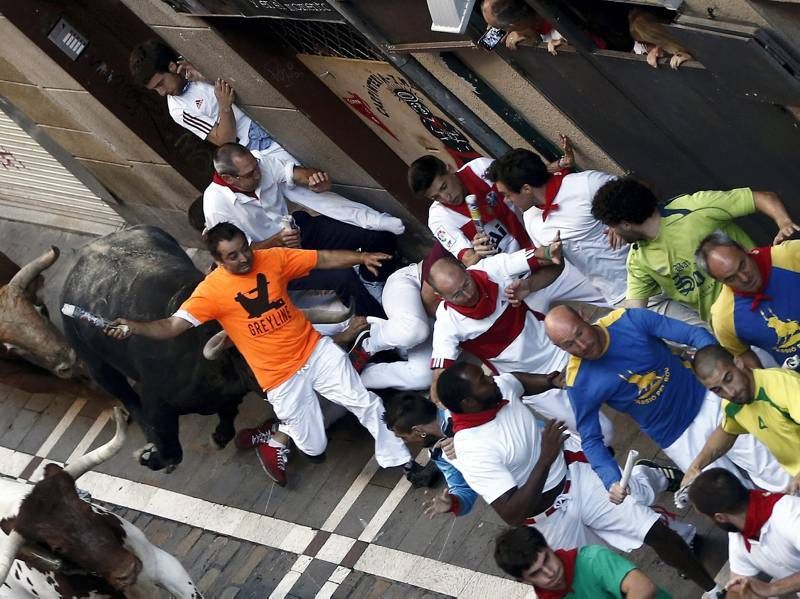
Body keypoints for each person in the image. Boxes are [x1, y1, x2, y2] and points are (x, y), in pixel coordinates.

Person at [104, 222, 412, 486]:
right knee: (314, 447)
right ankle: (278, 434)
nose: (243, 259)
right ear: (217, 260)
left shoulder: (272, 258)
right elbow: (171, 326)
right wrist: (134, 327)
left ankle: (403, 462)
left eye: (245, 249)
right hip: (279, 377)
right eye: (232, 256)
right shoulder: (211, 292)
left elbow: (323, 258)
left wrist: (362, 256)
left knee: (364, 403)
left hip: (314, 351)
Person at [434, 363, 718, 593]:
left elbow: (517, 380)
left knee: (656, 532)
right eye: (483, 382)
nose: (491, 380)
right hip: (548, 521)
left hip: (578, 478)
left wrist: (550, 381)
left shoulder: (499, 388)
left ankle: (714, 590)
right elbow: (512, 512)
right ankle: (646, 474)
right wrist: (545, 458)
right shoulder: (472, 449)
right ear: (469, 403)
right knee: (583, 582)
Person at [544, 305, 790, 498]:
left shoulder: (629, 320)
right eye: (570, 345)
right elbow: (591, 438)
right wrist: (611, 480)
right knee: (728, 496)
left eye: (580, 333)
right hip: (676, 437)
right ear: (559, 348)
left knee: (771, 469)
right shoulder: (579, 382)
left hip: (709, 401)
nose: (583, 344)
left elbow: (694, 335)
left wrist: (718, 375)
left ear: (583, 316)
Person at [426, 248, 611, 437]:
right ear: (441, 296)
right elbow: (438, 382)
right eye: (457, 295)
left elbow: (551, 258)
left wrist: (530, 283)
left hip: (561, 349)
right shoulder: (447, 323)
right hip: (534, 381)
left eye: (466, 284)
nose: (467, 295)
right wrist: (453, 424)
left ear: (466, 270)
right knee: (602, 433)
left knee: (632, 376)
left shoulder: (491, 268)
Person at [204, 143, 405, 317]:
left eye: (256, 168)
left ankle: (372, 280)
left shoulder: (259, 162)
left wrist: (316, 180)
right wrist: (279, 241)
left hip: (298, 230)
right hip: (274, 260)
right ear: (229, 179)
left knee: (376, 232)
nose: (258, 174)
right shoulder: (216, 205)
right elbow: (243, 255)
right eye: (250, 174)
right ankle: (381, 327)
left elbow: (298, 174)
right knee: (343, 277)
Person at [591, 177, 799, 323]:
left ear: (626, 224)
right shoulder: (638, 261)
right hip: (738, 325)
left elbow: (761, 198)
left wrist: (784, 223)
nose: (610, 232)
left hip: (775, 289)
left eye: (612, 225)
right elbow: (635, 314)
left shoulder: (694, 207)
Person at [486, 147, 628, 306]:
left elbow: (638, 192)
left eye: (507, 194)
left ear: (526, 189)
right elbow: (555, 263)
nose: (506, 201)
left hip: (651, 271)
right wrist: (530, 285)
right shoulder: (531, 218)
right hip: (618, 297)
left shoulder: (586, 184)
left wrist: (622, 219)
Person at [129, 39, 290, 158]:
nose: (162, 93)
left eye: (161, 84)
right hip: (258, 143)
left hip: (277, 115)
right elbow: (225, 140)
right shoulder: (178, 109)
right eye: (155, 89)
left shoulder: (195, 60)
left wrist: (206, 77)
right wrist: (224, 107)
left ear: (171, 67)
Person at [682, 345, 800, 494]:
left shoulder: (783, 385)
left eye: (729, 378)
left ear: (738, 363)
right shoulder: (733, 405)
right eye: (717, 390)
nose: (730, 392)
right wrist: (695, 466)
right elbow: (727, 431)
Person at [689, 468, 800, 599]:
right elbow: (737, 587)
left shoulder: (789, 514)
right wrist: (740, 593)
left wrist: (772, 588)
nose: (708, 522)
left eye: (706, 517)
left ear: (720, 517)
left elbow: (770, 589)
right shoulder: (738, 533)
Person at [698, 231, 800, 370]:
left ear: (744, 249)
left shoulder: (790, 255)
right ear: (719, 281)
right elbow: (743, 356)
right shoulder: (724, 318)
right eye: (731, 278)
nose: (745, 278)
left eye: (742, 265)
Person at [495, 526, 671, 598]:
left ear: (549, 547)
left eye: (546, 560)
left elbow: (642, 587)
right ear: (523, 580)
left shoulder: (593, 559)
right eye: (536, 573)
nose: (550, 572)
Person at [352, 254, 441, 389]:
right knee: (414, 330)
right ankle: (368, 344)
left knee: (425, 376)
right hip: (413, 286)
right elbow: (429, 297)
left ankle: (357, 380)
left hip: (435, 321)